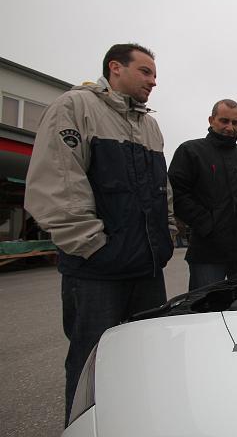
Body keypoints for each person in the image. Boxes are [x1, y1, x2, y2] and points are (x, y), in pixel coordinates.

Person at [24, 43, 175, 426]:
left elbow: (163, 191)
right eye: (145, 72)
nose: (154, 81)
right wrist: (94, 247)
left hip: (146, 270)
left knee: (140, 361)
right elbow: (58, 187)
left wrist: (167, 236)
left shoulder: (149, 124)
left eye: (155, 74)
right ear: (115, 68)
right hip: (96, 273)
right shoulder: (74, 108)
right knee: (91, 366)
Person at [168, 99, 237, 290]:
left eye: (235, 122)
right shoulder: (190, 151)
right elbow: (177, 194)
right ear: (211, 120)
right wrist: (207, 223)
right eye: (224, 121)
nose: (229, 127)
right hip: (208, 254)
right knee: (206, 312)